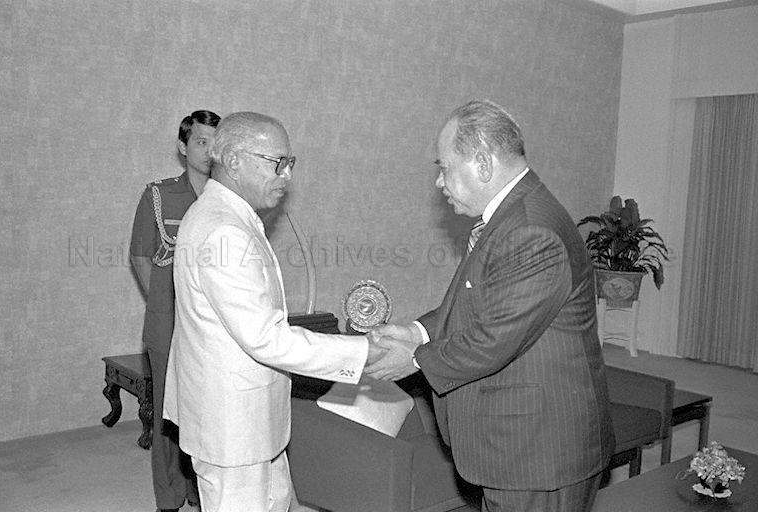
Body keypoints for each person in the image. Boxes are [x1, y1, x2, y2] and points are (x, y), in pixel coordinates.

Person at [366, 99, 615, 512]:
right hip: (520, 445)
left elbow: (492, 339)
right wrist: (418, 331)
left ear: (482, 163)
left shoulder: (529, 229)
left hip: (539, 451)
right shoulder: (509, 217)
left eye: (444, 168)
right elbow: (480, 302)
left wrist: (414, 358)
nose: (439, 183)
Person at [163, 111, 385, 512]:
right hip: (233, 424)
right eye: (276, 163)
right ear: (233, 161)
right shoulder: (223, 230)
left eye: (290, 163)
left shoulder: (229, 215)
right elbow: (266, 337)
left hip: (246, 414)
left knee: (277, 501)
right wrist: (363, 352)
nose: (286, 175)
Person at [130, 110, 221, 512]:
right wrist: (164, 308)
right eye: (201, 142)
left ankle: (201, 490)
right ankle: (168, 498)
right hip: (168, 325)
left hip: (215, 327)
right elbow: (140, 256)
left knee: (207, 412)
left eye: (215, 143)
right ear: (184, 147)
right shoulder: (159, 195)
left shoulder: (230, 199)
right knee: (168, 417)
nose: (208, 151)